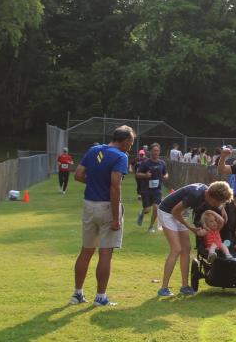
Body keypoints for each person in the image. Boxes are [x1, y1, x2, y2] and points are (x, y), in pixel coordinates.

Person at [69, 125, 134, 307]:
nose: (131, 147)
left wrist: (94, 183)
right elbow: (115, 187)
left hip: (89, 204)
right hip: (107, 207)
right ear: (125, 141)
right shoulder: (121, 156)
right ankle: (100, 297)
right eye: (131, 143)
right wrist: (115, 218)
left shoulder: (93, 150)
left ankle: (77, 294)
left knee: (86, 251)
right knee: (105, 253)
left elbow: (78, 175)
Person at [156, 181, 234, 297]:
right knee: (176, 249)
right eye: (218, 202)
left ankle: (184, 286)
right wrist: (190, 228)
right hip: (167, 212)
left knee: (186, 249)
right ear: (213, 198)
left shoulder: (208, 191)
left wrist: (222, 208)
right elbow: (175, 211)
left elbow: (180, 212)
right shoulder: (195, 195)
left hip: (180, 213)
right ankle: (164, 288)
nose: (216, 205)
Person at [135, 143, 169, 231]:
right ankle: (142, 213)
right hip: (146, 189)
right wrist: (145, 175)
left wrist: (165, 176)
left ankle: (151, 227)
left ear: (159, 152)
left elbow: (166, 173)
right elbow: (137, 174)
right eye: (154, 151)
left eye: (157, 151)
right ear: (150, 152)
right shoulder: (145, 163)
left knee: (156, 208)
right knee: (147, 210)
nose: (156, 152)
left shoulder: (162, 163)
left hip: (157, 190)